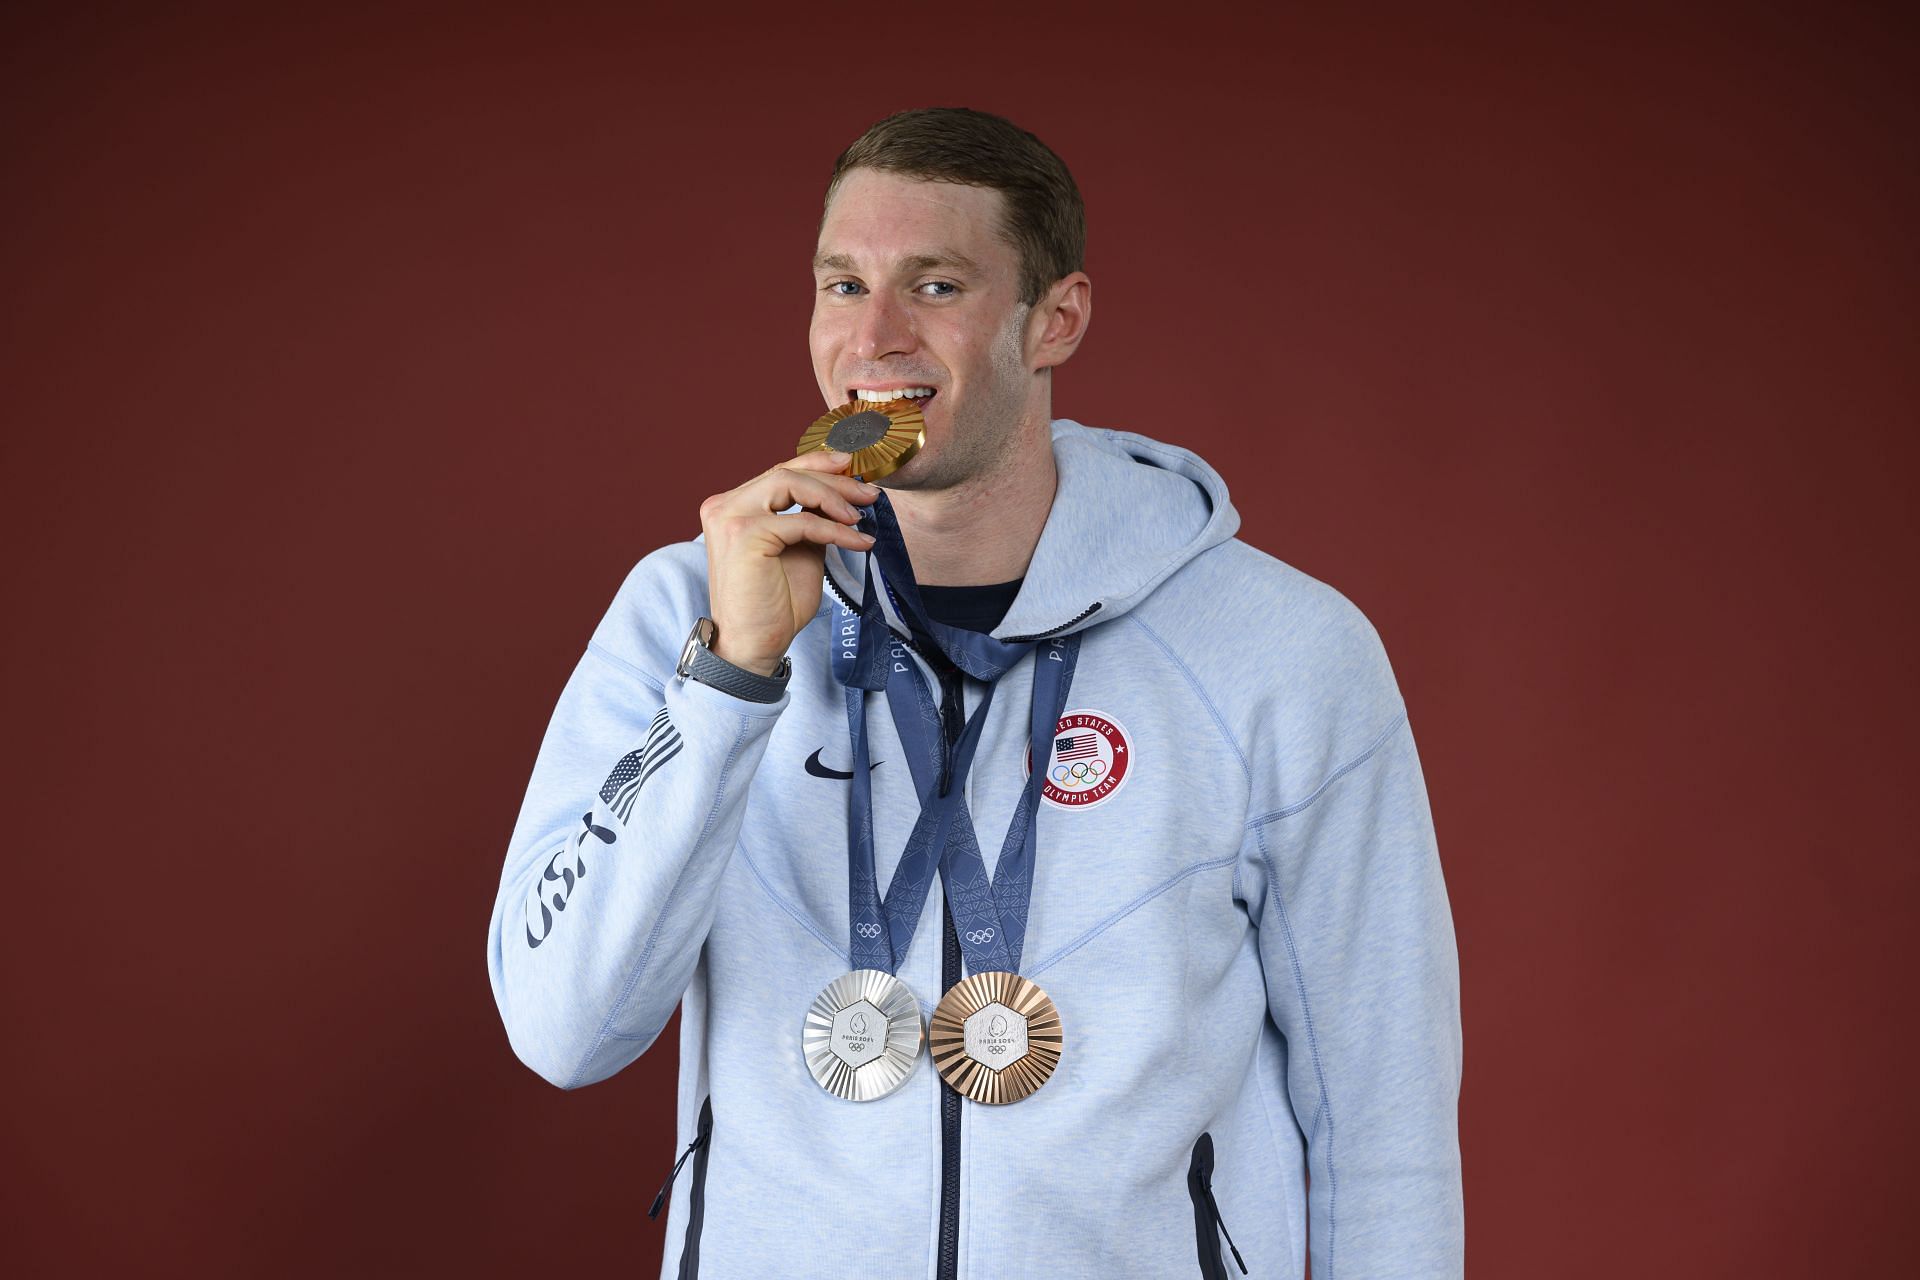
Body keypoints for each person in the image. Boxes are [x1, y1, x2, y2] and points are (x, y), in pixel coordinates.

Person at [486, 106, 1463, 1279]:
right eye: (842, 284)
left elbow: (1384, 1116)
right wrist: (731, 678)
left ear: (1055, 321)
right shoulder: (680, 612)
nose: (874, 338)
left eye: (936, 286)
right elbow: (565, 1029)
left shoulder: (1282, 648)